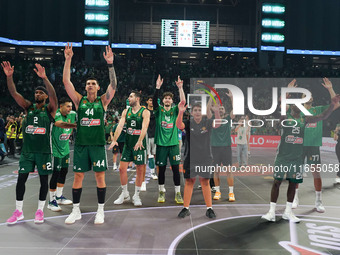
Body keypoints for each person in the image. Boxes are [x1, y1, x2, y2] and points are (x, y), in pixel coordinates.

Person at [261, 94, 340, 223]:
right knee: (277, 182)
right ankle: (271, 211)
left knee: (293, 184)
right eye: (294, 103)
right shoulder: (286, 117)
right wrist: (283, 98)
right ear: (291, 106)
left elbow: (322, 116)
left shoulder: (305, 119)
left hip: (297, 158)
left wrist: (332, 104)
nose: (297, 105)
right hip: (283, 156)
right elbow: (279, 115)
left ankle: (288, 212)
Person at [62, 43, 117, 224]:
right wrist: (68, 59)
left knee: (100, 176)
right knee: (78, 177)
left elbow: (114, 85)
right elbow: (66, 83)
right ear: (85, 88)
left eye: (93, 83)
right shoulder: (79, 101)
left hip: (97, 145)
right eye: (88, 84)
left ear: (98, 87)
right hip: (81, 145)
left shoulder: (103, 101)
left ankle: (100, 211)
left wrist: (110, 64)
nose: (90, 85)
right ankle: (76, 210)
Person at [2, 61, 58, 224]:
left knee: (43, 181)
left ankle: (40, 210)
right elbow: (14, 93)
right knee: (21, 181)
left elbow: (53, 96)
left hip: (44, 152)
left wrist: (45, 79)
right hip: (27, 153)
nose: (38, 94)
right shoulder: (28, 107)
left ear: (45, 96)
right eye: (36, 92)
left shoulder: (49, 110)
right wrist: (10, 77)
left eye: (41, 92)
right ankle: (18, 211)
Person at [292, 78, 340, 212]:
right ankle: (295, 198)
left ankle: (318, 201)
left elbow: (335, 104)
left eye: (310, 95)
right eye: (305, 95)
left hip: (313, 146)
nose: (309, 97)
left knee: (316, 173)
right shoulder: (297, 111)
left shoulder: (318, 110)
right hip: (299, 146)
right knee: (297, 173)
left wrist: (330, 89)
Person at [176, 101, 221, 218]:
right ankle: (186, 208)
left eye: (199, 110)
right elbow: (178, 125)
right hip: (190, 157)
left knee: (205, 182)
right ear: (191, 113)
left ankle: (209, 209)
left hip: (205, 157)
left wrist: (216, 112)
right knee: (189, 182)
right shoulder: (187, 122)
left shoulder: (207, 122)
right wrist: (180, 112)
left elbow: (218, 124)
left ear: (203, 112)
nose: (197, 112)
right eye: (195, 110)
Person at [109, 91, 150, 206]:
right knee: (122, 168)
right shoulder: (126, 111)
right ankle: (125, 193)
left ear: (137, 99)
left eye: (131, 96)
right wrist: (114, 140)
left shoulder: (145, 112)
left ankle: (136, 195)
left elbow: (144, 126)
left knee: (140, 169)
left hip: (139, 144)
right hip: (128, 143)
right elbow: (120, 126)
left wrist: (140, 140)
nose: (128, 98)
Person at [153, 75, 186, 204]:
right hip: (161, 145)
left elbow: (182, 103)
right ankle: (161, 191)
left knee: (176, 169)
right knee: (161, 170)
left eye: (169, 98)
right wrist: (157, 88)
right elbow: (154, 100)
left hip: (173, 145)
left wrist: (180, 88)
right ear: (163, 100)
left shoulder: (174, 110)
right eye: (165, 98)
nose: (167, 100)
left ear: (172, 101)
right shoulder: (159, 110)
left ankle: (178, 193)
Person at [47, 97, 77, 212]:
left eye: (71, 106)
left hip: (65, 148)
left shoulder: (73, 114)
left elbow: (70, 129)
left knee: (64, 171)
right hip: (55, 149)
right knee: (55, 173)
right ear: (61, 107)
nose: (70, 108)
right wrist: (73, 126)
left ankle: (59, 197)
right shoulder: (57, 115)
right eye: (67, 106)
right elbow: (59, 124)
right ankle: (51, 201)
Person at [207, 92, 235, 201]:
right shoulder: (213, 118)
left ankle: (231, 193)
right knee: (216, 171)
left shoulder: (228, 118)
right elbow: (207, 110)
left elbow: (235, 110)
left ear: (225, 110)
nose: (221, 109)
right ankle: (218, 191)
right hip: (215, 147)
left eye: (222, 108)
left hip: (226, 147)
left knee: (229, 171)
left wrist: (232, 97)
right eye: (219, 107)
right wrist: (211, 97)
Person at [145, 96, 158, 181]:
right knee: (147, 154)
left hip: (155, 135)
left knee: (154, 154)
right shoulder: (144, 111)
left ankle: (153, 171)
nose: (152, 102)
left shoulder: (157, 111)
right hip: (146, 135)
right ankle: (149, 171)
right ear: (147, 101)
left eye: (153, 100)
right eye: (150, 100)